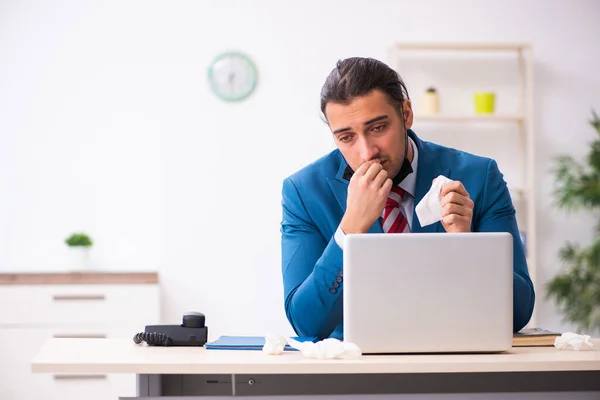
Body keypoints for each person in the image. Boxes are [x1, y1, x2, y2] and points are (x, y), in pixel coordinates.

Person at [280, 57, 535, 340]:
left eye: (377, 128)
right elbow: (305, 324)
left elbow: (519, 313)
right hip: (356, 369)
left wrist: (467, 248)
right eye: (346, 137)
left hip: (458, 358)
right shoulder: (303, 192)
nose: (366, 152)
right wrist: (349, 229)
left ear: (406, 113)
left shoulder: (480, 177)